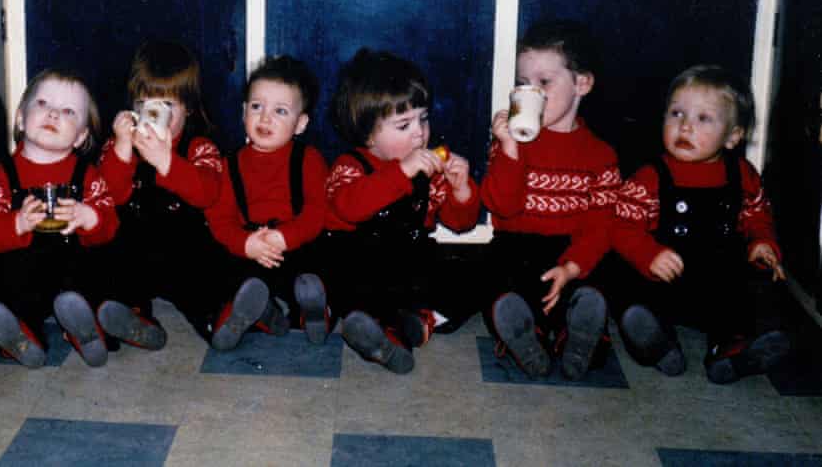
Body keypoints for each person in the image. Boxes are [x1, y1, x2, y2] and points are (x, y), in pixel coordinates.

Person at [613, 64, 790, 384]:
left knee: (757, 284)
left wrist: (762, 242)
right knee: (629, 287)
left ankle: (731, 348)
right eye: (676, 113)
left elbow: (757, 213)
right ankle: (658, 343)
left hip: (717, 280)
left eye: (703, 118)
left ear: (733, 136)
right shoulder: (650, 176)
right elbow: (621, 225)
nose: (685, 126)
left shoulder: (743, 174)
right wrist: (646, 253)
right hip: (665, 277)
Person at [324, 48, 480, 374]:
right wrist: (401, 172)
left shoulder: (430, 171)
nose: (419, 133)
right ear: (368, 134)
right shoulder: (350, 165)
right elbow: (349, 207)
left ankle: (417, 323)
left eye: (423, 118)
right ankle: (384, 333)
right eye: (403, 125)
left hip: (411, 265)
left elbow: (459, 224)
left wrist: (461, 189)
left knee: (474, 274)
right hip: (365, 266)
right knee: (356, 287)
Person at [480, 20, 620, 381]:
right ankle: (527, 337)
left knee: (595, 281)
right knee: (497, 275)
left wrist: (572, 267)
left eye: (544, 82)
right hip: (517, 244)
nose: (532, 93)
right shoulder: (512, 142)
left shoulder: (600, 155)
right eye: (523, 83)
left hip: (571, 250)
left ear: (582, 84)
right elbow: (501, 206)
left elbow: (601, 226)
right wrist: (509, 150)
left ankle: (579, 337)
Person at [0, 69, 118, 368]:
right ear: (20, 118)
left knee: (94, 273)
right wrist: (16, 224)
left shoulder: (88, 176)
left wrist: (90, 217)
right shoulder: (0, 176)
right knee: (13, 280)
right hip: (26, 272)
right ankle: (21, 333)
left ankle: (87, 328)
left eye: (68, 111)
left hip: (73, 269)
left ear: (80, 136)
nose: (53, 113)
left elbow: (110, 226)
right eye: (42, 103)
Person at [95, 40, 225, 350]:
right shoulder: (120, 145)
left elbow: (207, 193)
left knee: (204, 274)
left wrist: (166, 161)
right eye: (144, 104)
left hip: (183, 251)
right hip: (135, 249)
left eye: (166, 105)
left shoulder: (198, 146)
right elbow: (108, 197)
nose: (153, 115)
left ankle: (215, 318)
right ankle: (132, 318)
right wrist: (122, 149)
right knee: (110, 262)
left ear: (189, 107)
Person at [204, 55, 331, 349]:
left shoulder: (309, 160)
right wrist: (246, 244)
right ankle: (253, 313)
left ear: (300, 124)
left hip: (295, 248)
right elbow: (220, 220)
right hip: (250, 250)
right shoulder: (227, 165)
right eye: (256, 107)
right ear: (243, 112)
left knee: (318, 268)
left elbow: (316, 213)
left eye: (280, 111)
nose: (265, 118)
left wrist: (283, 238)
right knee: (222, 269)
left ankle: (313, 311)